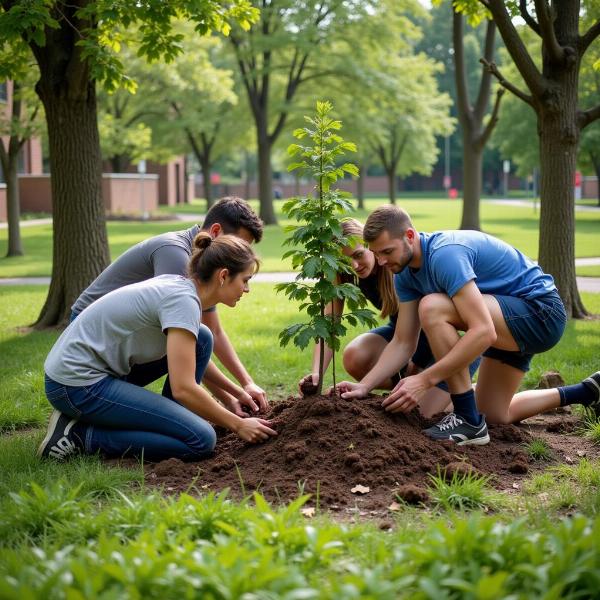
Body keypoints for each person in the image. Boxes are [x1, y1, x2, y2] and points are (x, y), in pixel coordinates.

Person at [338, 204, 600, 445]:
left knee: (432, 306)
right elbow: (404, 341)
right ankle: (586, 391)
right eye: (376, 254)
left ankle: (467, 420)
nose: (381, 261)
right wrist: (365, 385)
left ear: (409, 236)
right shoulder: (403, 273)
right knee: (496, 414)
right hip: (504, 322)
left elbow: (483, 331)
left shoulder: (444, 255)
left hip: (540, 313)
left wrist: (424, 380)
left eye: (387, 252)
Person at [38, 233, 277, 462]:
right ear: (223, 275)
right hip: (75, 385)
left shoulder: (182, 288)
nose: (247, 289)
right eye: (245, 280)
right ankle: (79, 436)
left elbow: (189, 356)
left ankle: (173, 422)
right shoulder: (183, 302)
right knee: (202, 439)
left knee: (202, 337)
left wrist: (238, 392)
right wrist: (238, 424)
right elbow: (183, 388)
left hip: (93, 374)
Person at [71, 196, 267, 418]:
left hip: (122, 336)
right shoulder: (176, 257)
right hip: (91, 340)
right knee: (196, 344)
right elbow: (185, 342)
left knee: (202, 338)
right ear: (215, 231)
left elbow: (214, 333)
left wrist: (246, 384)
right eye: (239, 245)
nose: (242, 255)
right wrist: (230, 397)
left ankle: (171, 419)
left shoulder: (205, 271)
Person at [300, 218, 478, 417]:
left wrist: (415, 365)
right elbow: (329, 324)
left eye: (359, 254)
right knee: (355, 355)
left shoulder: (395, 265)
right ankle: (416, 390)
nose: (354, 265)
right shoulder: (345, 275)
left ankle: (467, 392)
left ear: (371, 246)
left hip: (445, 339)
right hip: (402, 335)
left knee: (422, 415)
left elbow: (427, 319)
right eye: (344, 261)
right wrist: (316, 373)